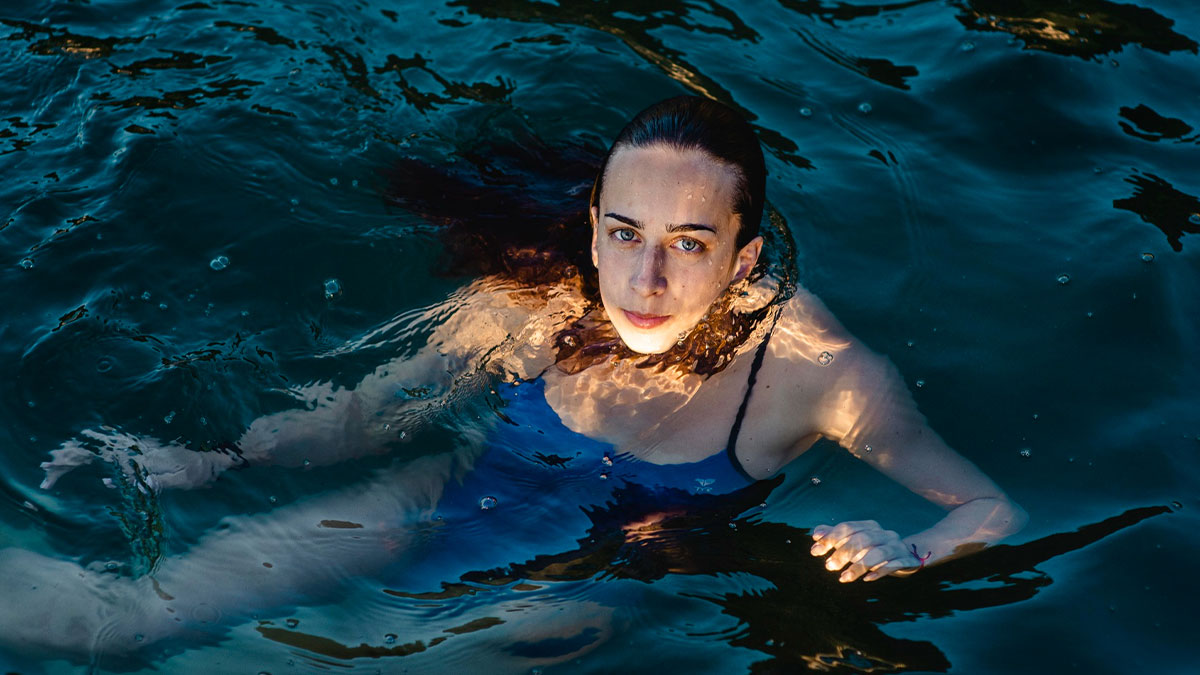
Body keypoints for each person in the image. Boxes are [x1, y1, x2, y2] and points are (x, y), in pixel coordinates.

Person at [18, 96, 1025, 658]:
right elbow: (370, 415)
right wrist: (209, 459)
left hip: (599, 577)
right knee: (120, 622)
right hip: (440, 497)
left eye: (688, 243)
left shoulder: (821, 375)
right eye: (624, 236)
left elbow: (987, 507)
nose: (646, 279)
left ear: (745, 260)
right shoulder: (534, 306)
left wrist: (912, 549)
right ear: (593, 227)